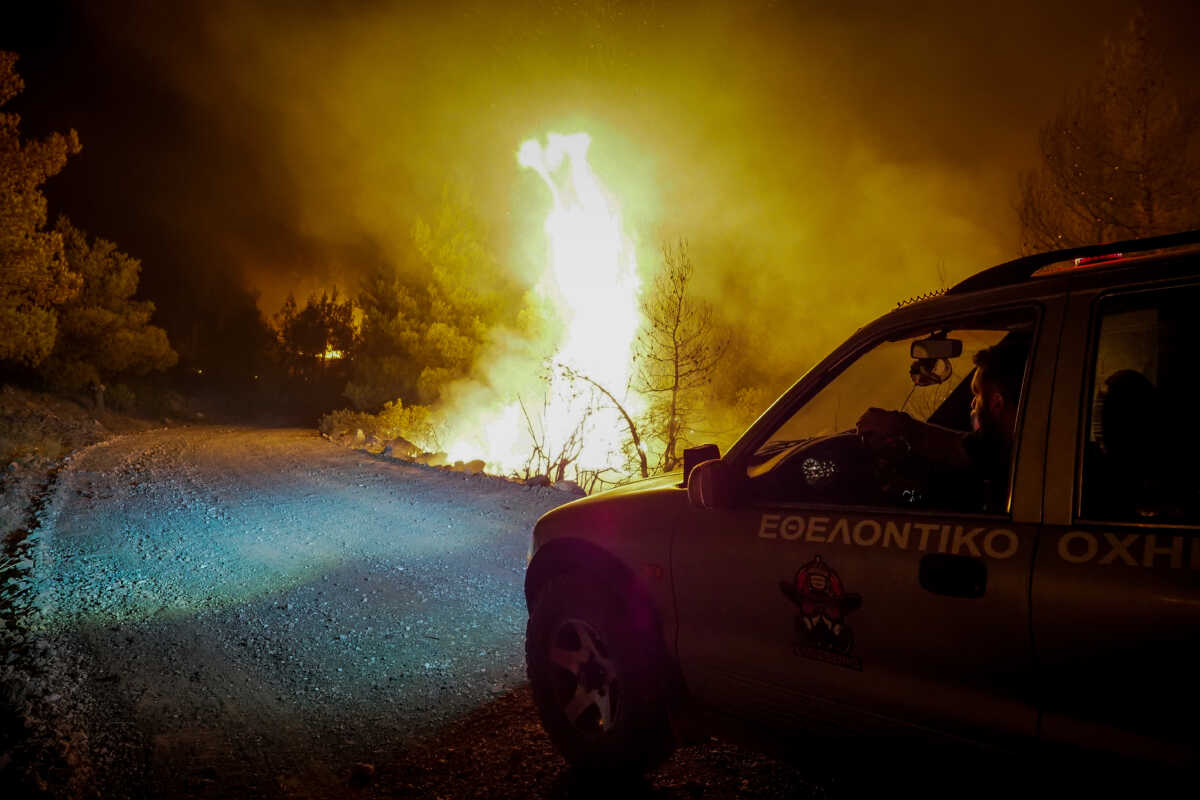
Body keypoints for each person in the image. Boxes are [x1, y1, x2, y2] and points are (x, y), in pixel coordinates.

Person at [856, 336, 1028, 510]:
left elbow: (961, 448)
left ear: (997, 401)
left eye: (977, 394)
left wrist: (895, 423)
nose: (972, 404)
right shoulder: (1026, 447)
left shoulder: (1008, 451)